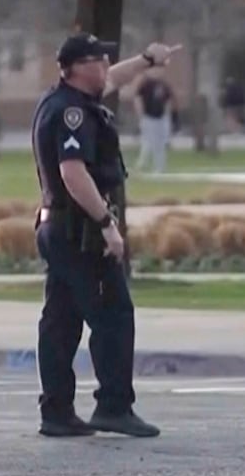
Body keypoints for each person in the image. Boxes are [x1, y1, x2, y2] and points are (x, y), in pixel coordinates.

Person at [29, 31, 179, 439]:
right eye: (97, 61)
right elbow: (73, 173)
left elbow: (114, 79)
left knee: (60, 320)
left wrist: (148, 59)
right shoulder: (72, 113)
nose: (105, 69)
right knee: (113, 315)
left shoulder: (61, 101)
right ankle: (114, 405)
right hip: (79, 230)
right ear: (76, 68)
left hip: (56, 225)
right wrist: (106, 224)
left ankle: (56, 411)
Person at [133, 65, 177, 173]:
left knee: (160, 143)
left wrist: (167, 118)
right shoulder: (145, 84)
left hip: (160, 118)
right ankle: (142, 163)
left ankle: (159, 166)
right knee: (147, 142)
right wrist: (141, 116)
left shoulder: (164, 86)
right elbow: (138, 100)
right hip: (148, 117)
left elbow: (168, 102)